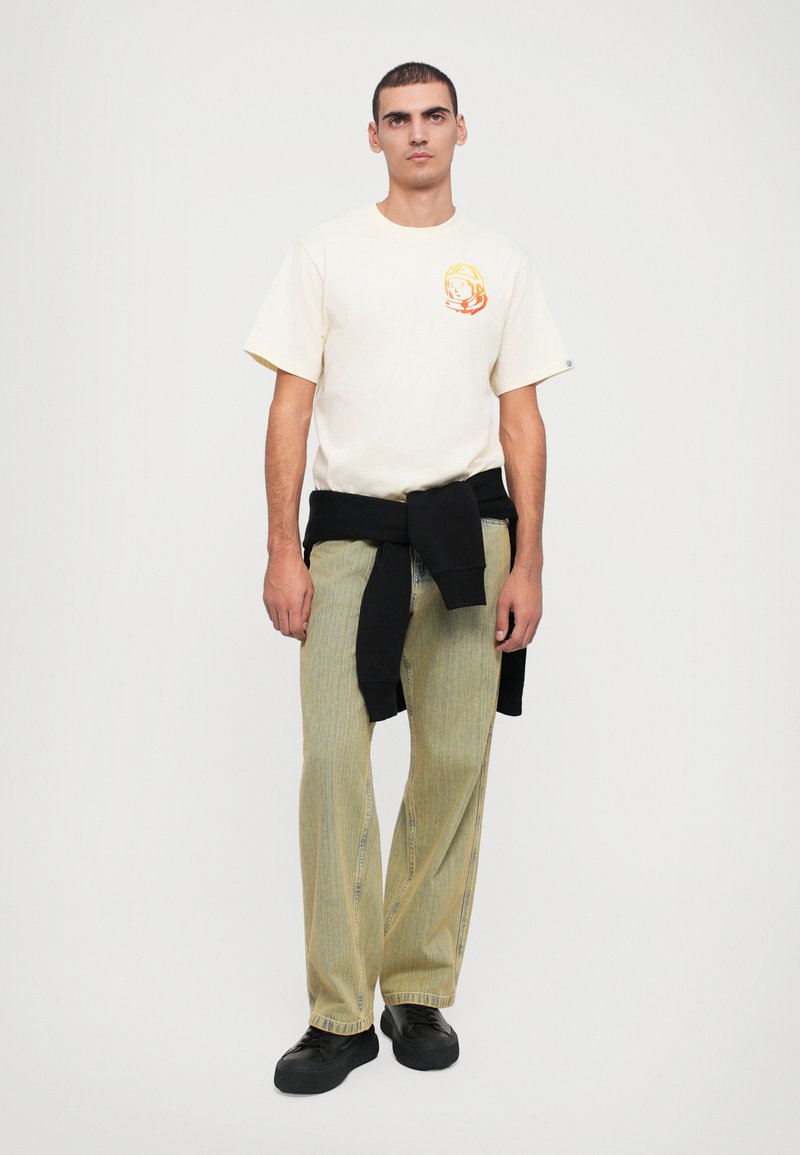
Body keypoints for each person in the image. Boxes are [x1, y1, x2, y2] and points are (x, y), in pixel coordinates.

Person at [242, 60, 574, 1095]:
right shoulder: (325, 253)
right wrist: (281, 547)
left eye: (434, 117)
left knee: (454, 762)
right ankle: (338, 1015)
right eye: (398, 119)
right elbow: (290, 406)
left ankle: (417, 989)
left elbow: (522, 419)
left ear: (461, 130)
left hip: (469, 536)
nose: (417, 133)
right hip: (350, 538)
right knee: (334, 764)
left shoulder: (500, 262)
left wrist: (529, 559)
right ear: (373, 136)